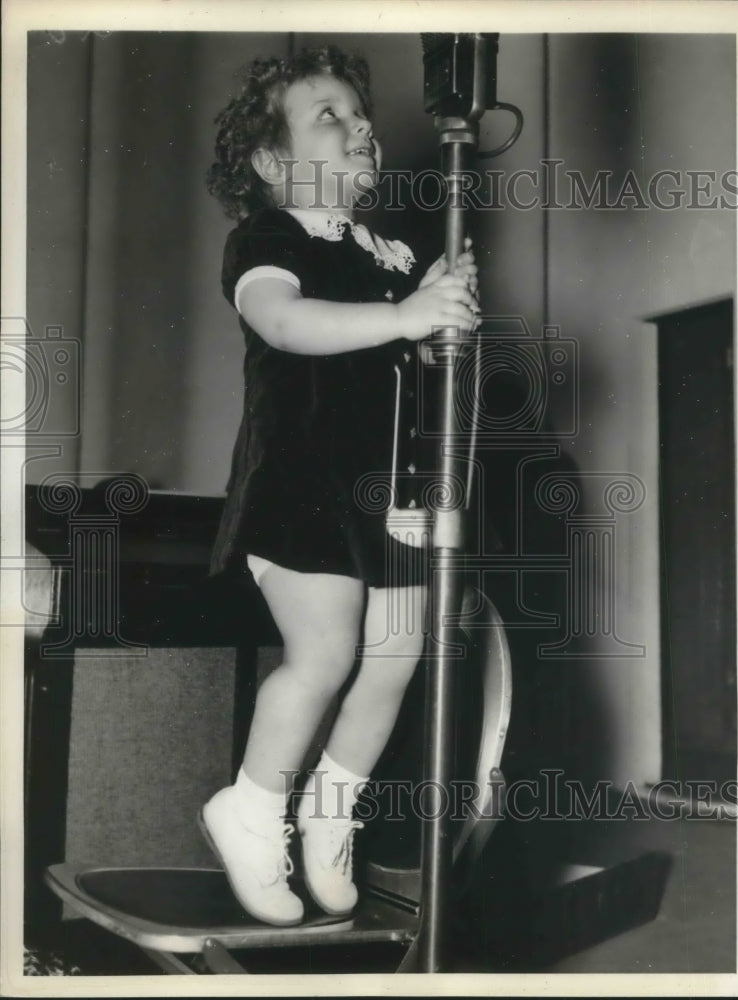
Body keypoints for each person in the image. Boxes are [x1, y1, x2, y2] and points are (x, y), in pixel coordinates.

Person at [201, 44, 480, 927]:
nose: (360, 125)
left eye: (361, 115)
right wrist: (403, 315)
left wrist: (435, 305)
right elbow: (286, 323)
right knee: (323, 657)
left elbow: (417, 356)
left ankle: (332, 807)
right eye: (330, 115)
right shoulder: (269, 242)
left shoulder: (389, 252)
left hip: (392, 494)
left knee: (396, 659)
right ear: (272, 161)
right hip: (303, 491)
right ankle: (249, 807)